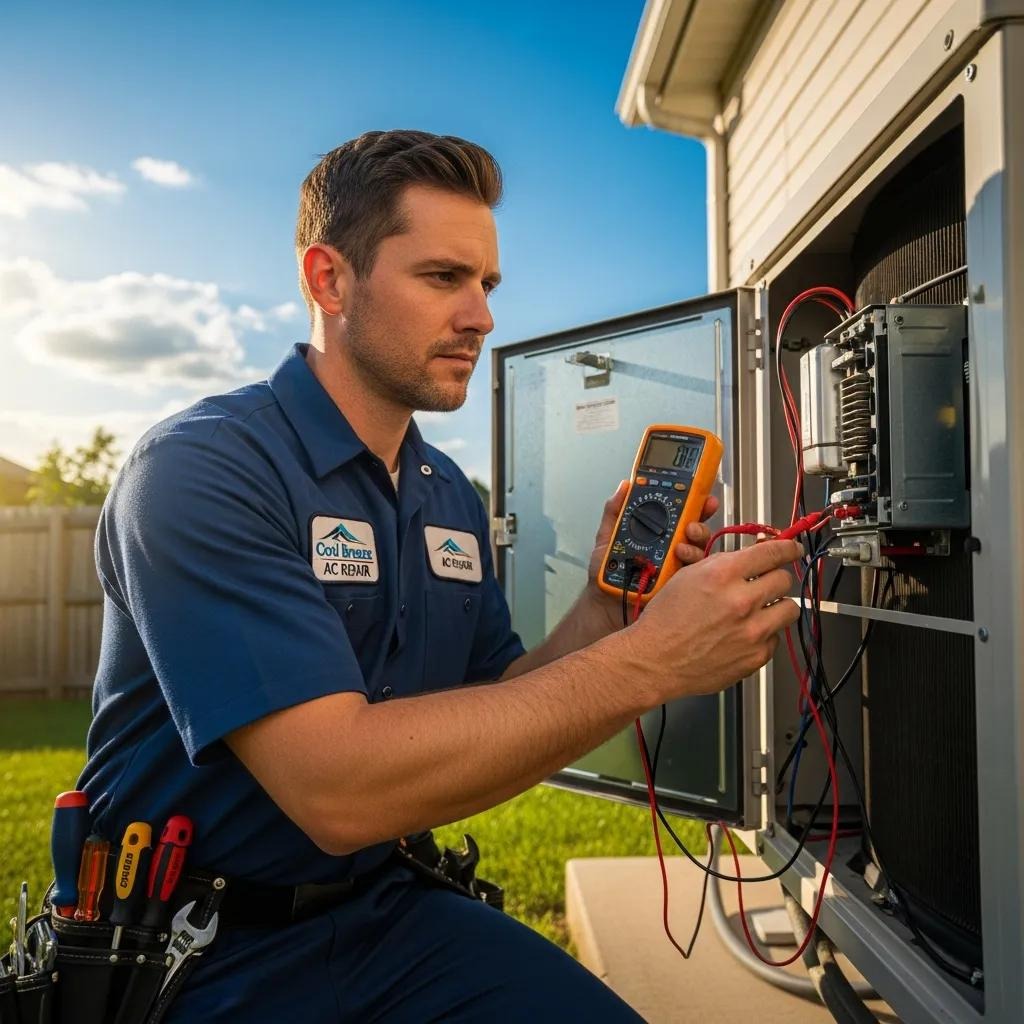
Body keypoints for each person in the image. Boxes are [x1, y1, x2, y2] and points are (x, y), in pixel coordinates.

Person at [78, 129, 801, 1022]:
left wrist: (608, 611)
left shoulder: (444, 490)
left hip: (390, 913)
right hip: (199, 948)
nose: (483, 316)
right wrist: (653, 662)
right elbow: (337, 791)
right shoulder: (201, 470)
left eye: (487, 284)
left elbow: (503, 695)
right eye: (442, 278)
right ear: (328, 279)